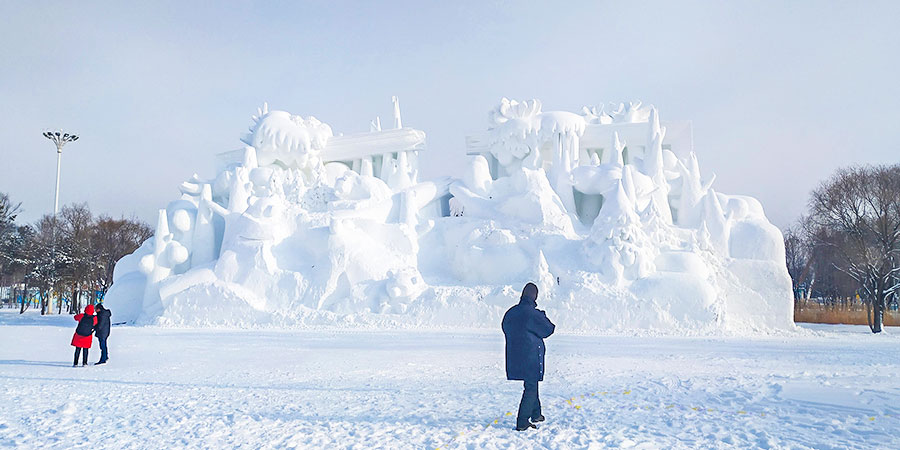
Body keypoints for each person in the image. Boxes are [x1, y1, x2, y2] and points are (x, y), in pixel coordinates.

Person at [501, 282, 555, 431]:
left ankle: (536, 414)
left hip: (514, 356)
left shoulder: (511, 313)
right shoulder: (532, 313)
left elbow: (505, 327)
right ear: (534, 297)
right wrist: (542, 315)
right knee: (530, 387)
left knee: (532, 383)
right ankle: (522, 421)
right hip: (531, 356)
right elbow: (549, 329)